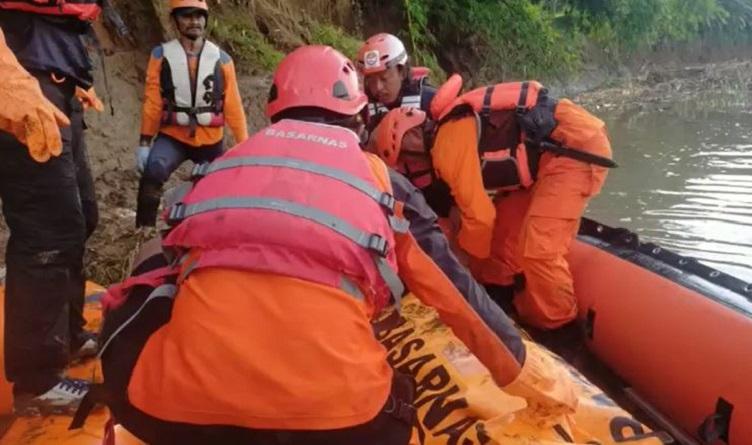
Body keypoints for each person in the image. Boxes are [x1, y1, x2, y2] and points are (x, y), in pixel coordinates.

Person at [101, 45, 577, 445]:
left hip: (176, 415)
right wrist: (529, 378)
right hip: (341, 425)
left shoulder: (220, 167)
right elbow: (456, 295)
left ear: (273, 107)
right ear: (357, 112)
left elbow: (169, 262)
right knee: (393, 402)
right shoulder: (381, 180)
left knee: (152, 275)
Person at [368, 80, 613, 332]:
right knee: (501, 240)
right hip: (546, 160)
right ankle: (504, 299)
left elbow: (480, 217)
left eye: (407, 160)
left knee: (539, 250)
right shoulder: (448, 133)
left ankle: (562, 329)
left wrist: (463, 262)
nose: (412, 168)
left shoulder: (447, 145)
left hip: (573, 148)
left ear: (409, 141)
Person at [0, 0, 103, 413]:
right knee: (48, 230)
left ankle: (68, 335)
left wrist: (68, 71)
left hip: (51, 74)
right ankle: (36, 382)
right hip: (18, 79)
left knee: (84, 216)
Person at [135, 0, 248, 227]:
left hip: (210, 140)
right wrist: (145, 142)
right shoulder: (160, 56)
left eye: (199, 16)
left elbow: (233, 106)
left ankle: (214, 231)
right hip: (173, 136)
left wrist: (243, 145)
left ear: (205, 19)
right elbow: (153, 102)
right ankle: (142, 233)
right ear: (175, 20)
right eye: (186, 16)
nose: (194, 21)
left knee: (220, 187)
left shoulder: (222, 60)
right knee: (153, 172)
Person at [356, 33, 436, 132]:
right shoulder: (364, 107)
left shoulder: (430, 101)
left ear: (402, 72)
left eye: (384, 78)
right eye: (371, 80)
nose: (377, 87)